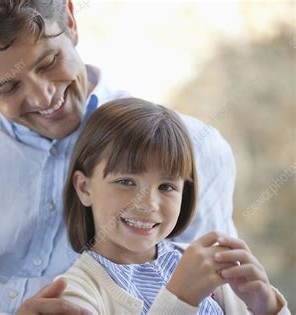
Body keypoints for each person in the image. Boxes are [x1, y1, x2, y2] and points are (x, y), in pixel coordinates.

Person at [0, 1, 237, 314]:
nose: (42, 97)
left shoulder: (190, 150)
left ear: (70, 19)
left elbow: (205, 299)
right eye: (6, 85)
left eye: (49, 62)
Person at [56, 97, 289, 314]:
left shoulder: (205, 264)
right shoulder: (73, 295)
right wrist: (181, 297)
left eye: (166, 186)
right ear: (85, 188)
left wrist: (265, 306)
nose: (148, 204)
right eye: (126, 182)